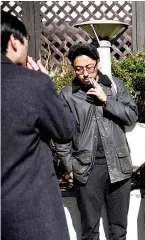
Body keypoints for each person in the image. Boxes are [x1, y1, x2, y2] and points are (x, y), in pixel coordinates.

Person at [1, 11, 76, 240]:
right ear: (14, 41)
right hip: (33, 215)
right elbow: (65, 130)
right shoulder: (33, 84)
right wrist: (46, 85)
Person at [54, 43, 138, 240]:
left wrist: (106, 100)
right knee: (89, 230)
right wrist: (69, 166)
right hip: (85, 169)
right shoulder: (68, 95)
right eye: (79, 69)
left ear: (97, 64)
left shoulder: (114, 86)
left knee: (119, 229)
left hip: (118, 166)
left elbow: (132, 116)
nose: (84, 73)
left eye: (89, 67)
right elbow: (61, 134)